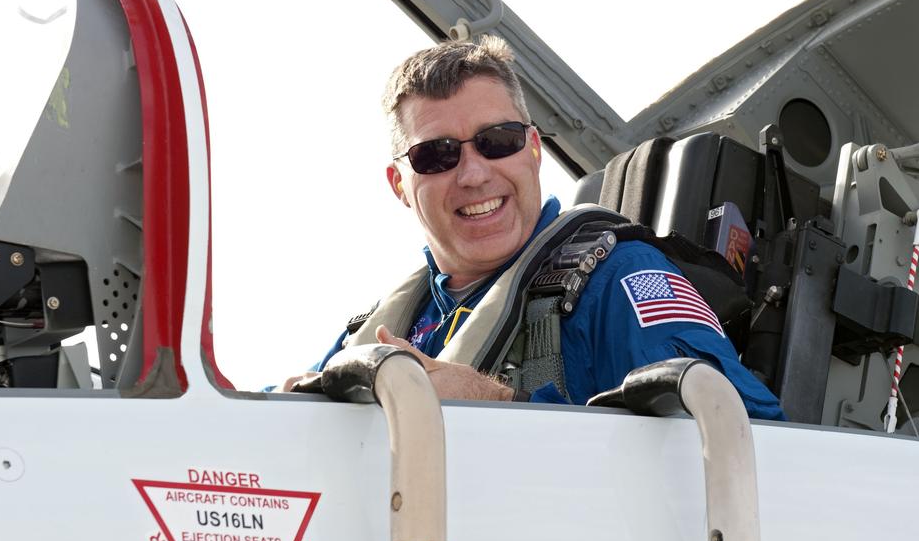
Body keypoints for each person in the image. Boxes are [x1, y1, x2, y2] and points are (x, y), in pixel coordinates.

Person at [285, 36, 783, 420]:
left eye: (497, 140)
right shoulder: (389, 324)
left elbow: (750, 440)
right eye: (436, 154)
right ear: (399, 184)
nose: (474, 173)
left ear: (534, 150)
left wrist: (501, 403)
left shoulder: (621, 281)